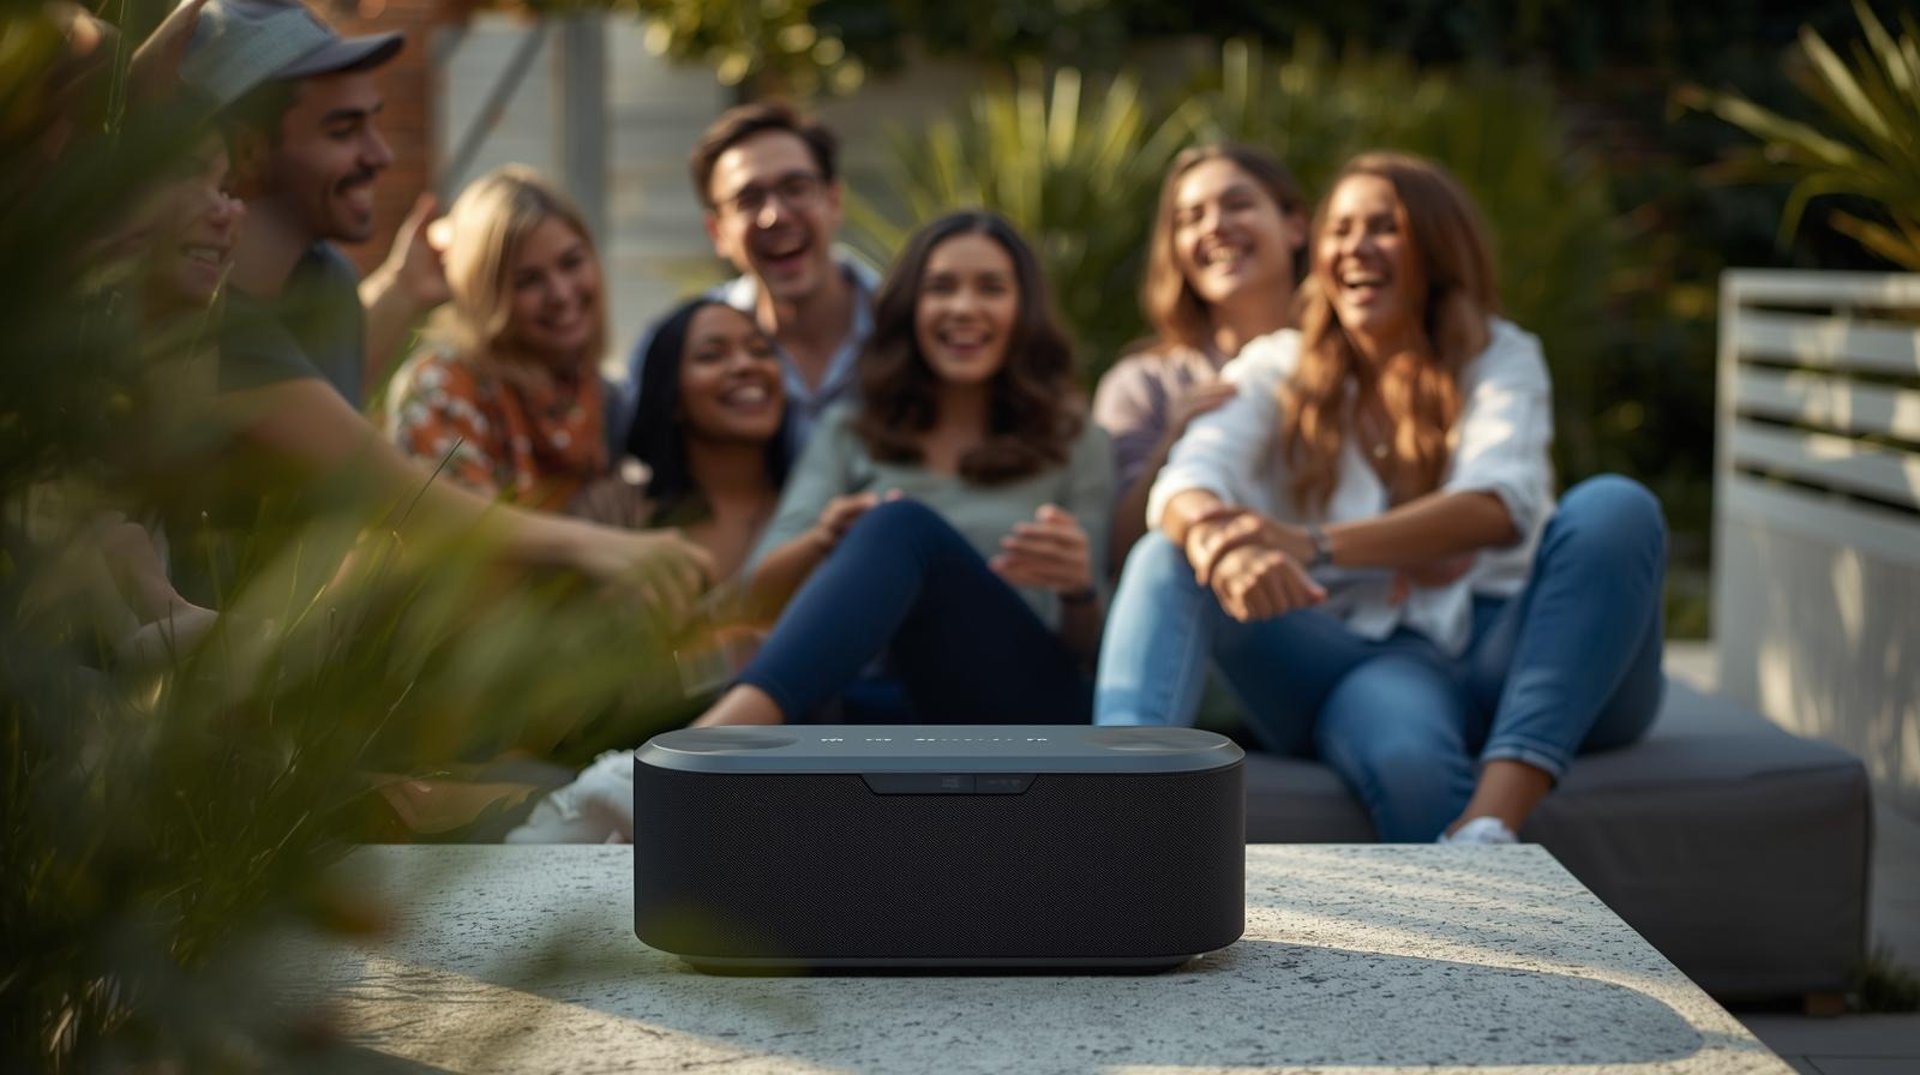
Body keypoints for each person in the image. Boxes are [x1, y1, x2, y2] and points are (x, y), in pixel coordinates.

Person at [1095, 152, 1667, 845]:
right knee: (1171, 556)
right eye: (1341, 229)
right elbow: (1186, 482)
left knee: (1615, 506)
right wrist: (1224, 547)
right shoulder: (1277, 363)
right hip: (1373, 659)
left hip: (1514, 647)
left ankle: (1491, 822)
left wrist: (1308, 543)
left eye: (1383, 227)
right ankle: (1115, 831)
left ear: (1435, 245)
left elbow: (1497, 504)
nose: (1356, 247)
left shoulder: (1500, 356)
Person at [694, 210, 1114, 728]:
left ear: (1022, 310)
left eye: (990, 288)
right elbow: (752, 598)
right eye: (941, 288)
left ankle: (704, 750)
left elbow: (1093, 650)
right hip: (877, 702)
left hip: (1022, 708)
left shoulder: (1076, 441)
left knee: (903, 525)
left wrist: (1078, 589)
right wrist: (824, 540)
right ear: (911, 308)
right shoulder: (851, 431)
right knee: (885, 544)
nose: (963, 308)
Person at [181, 0, 447, 407]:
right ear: (247, 150)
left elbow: (336, 432)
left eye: (373, 123)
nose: (382, 155)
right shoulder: (187, 314)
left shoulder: (328, 280)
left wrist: (403, 286)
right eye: (343, 131)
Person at [614, 101, 879, 454]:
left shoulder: (910, 324)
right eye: (748, 199)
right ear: (717, 232)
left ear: (833, 202)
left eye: (795, 187)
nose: (775, 215)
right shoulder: (678, 352)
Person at [1093, 144, 1308, 574]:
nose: (1216, 226)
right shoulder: (1141, 382)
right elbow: (1113, 555)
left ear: (1296, 227)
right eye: (1191, 218)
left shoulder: (1359, 361)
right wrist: (1174, 442)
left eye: (1238, 204)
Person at [385, 166, 613, 513]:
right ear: (483, 293)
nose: (561, 294)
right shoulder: (443, 386)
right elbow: (469, 541)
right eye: (527, 280)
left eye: (571, 263)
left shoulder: (590, 388)